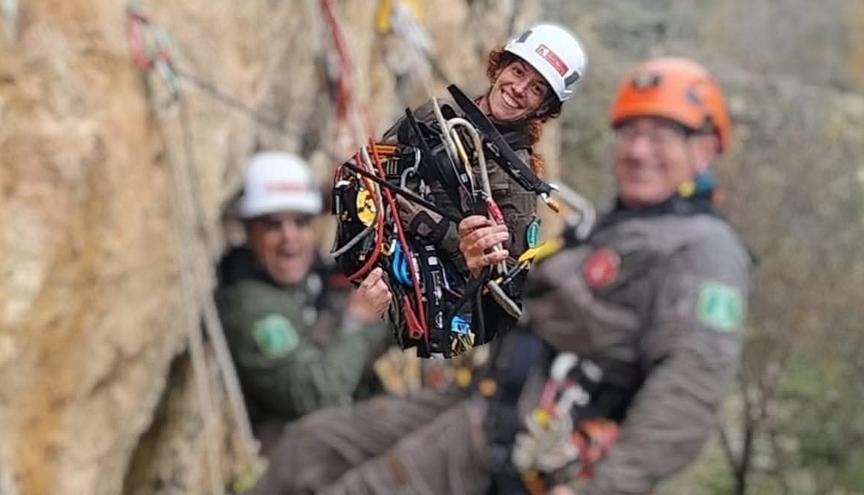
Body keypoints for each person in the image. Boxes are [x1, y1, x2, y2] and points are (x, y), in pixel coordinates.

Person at [270, 56, 750, 495]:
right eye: (630, 134)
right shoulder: (613, 225)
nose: (639, 151)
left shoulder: (704, 252)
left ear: (705, 149)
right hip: (486, 396)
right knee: (310, 446)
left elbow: (686, 394)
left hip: (528, 444)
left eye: (661, 137)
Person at [263, 23, 587, 494]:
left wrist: (466, 251)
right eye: (518, 72)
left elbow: (499, 295)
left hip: (411, 302)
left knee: (320, 385)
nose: (519, 90)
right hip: (360, 249)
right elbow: (375, 165)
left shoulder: (514, 192)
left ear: (544, 107)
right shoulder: (441, 114)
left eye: (536, 89)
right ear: (500, 66)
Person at [215, 151, 392, 453]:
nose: (290, 238)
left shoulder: (314, 280)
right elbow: (315, 395)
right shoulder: (250, 306)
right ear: (249, 232)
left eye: (301, 222)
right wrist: (357, 322)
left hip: (347, 436)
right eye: (273, 226)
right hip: (302, 459)